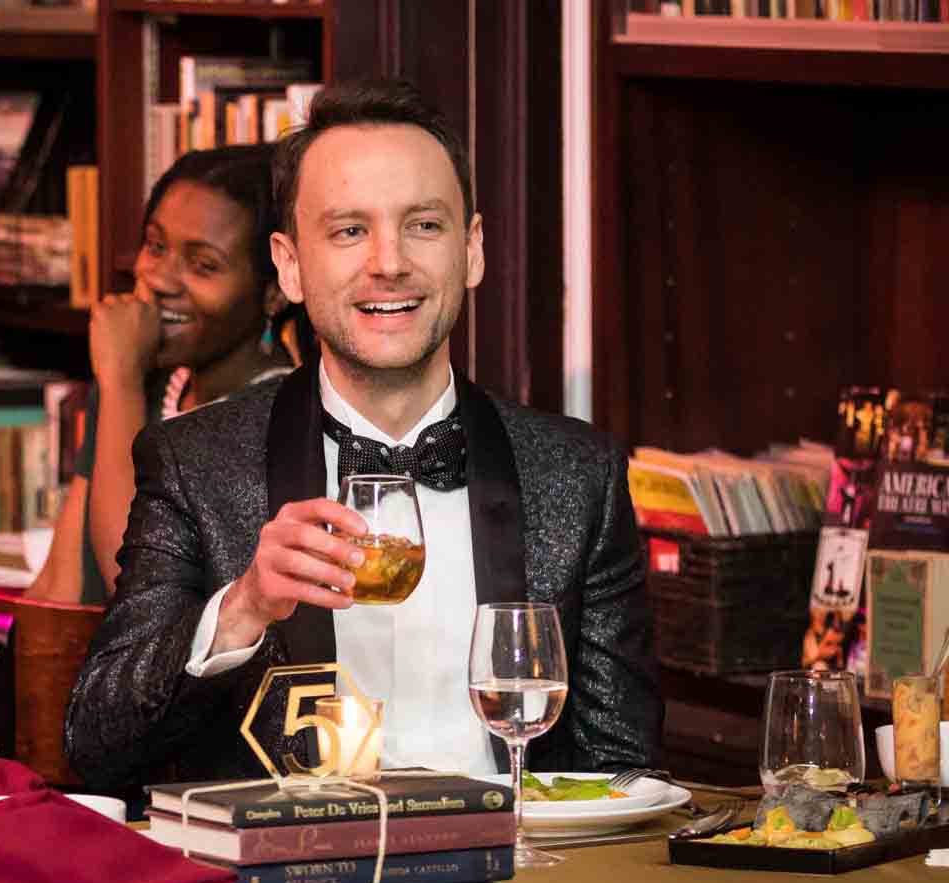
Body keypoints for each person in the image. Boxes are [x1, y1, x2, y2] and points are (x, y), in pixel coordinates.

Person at [64, 78, 659, 792]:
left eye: (424, 226)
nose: (388, 262)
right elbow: (96, 743)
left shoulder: (578, 473)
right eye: (349, 230)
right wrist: (243, 606)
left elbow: (626, 767)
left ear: (471, 250)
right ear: (289, 265)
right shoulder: (195, 461)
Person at [26, 145, 298, 606]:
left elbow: (136, 583)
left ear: (274, 291)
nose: (160, 279)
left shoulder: (281, 418)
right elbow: (60, 588)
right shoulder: (135, 386)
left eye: (203, 265)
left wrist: (121, 383)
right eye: (155, 246)